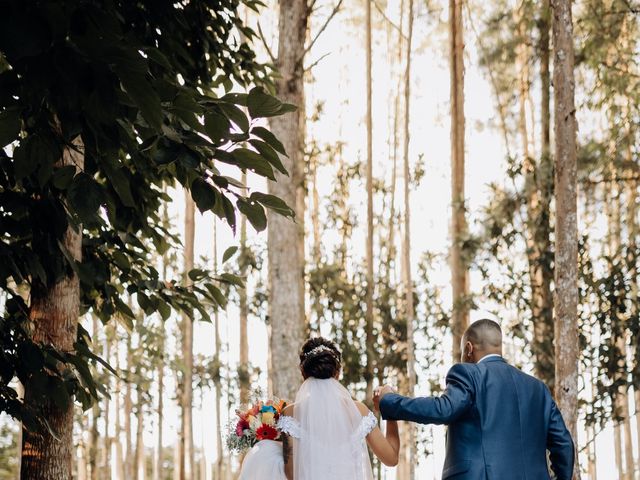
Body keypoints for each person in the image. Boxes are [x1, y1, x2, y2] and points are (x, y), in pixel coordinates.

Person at [374, 319, 575, 480]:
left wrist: (389, 400)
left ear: (469, 348)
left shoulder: (469, 374)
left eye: (462, 351)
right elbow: (564, 445)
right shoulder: (538, 389)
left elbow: (443, 409)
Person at [277, 337, 400, 480]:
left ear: (303, 373)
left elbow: (291, 474)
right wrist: (391, 407)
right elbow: (391, 458)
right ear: (338, 372)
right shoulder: (359, 411)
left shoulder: (290, 414)